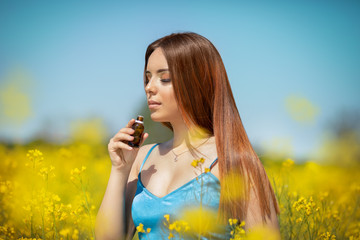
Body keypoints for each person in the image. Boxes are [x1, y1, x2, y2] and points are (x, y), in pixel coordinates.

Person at [95, 32, 280, 240]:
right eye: (147, 78)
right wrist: (119, 170)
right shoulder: (141, 158)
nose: (149, 88)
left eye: (164, 79)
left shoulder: (235, 161)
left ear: (197, 82)